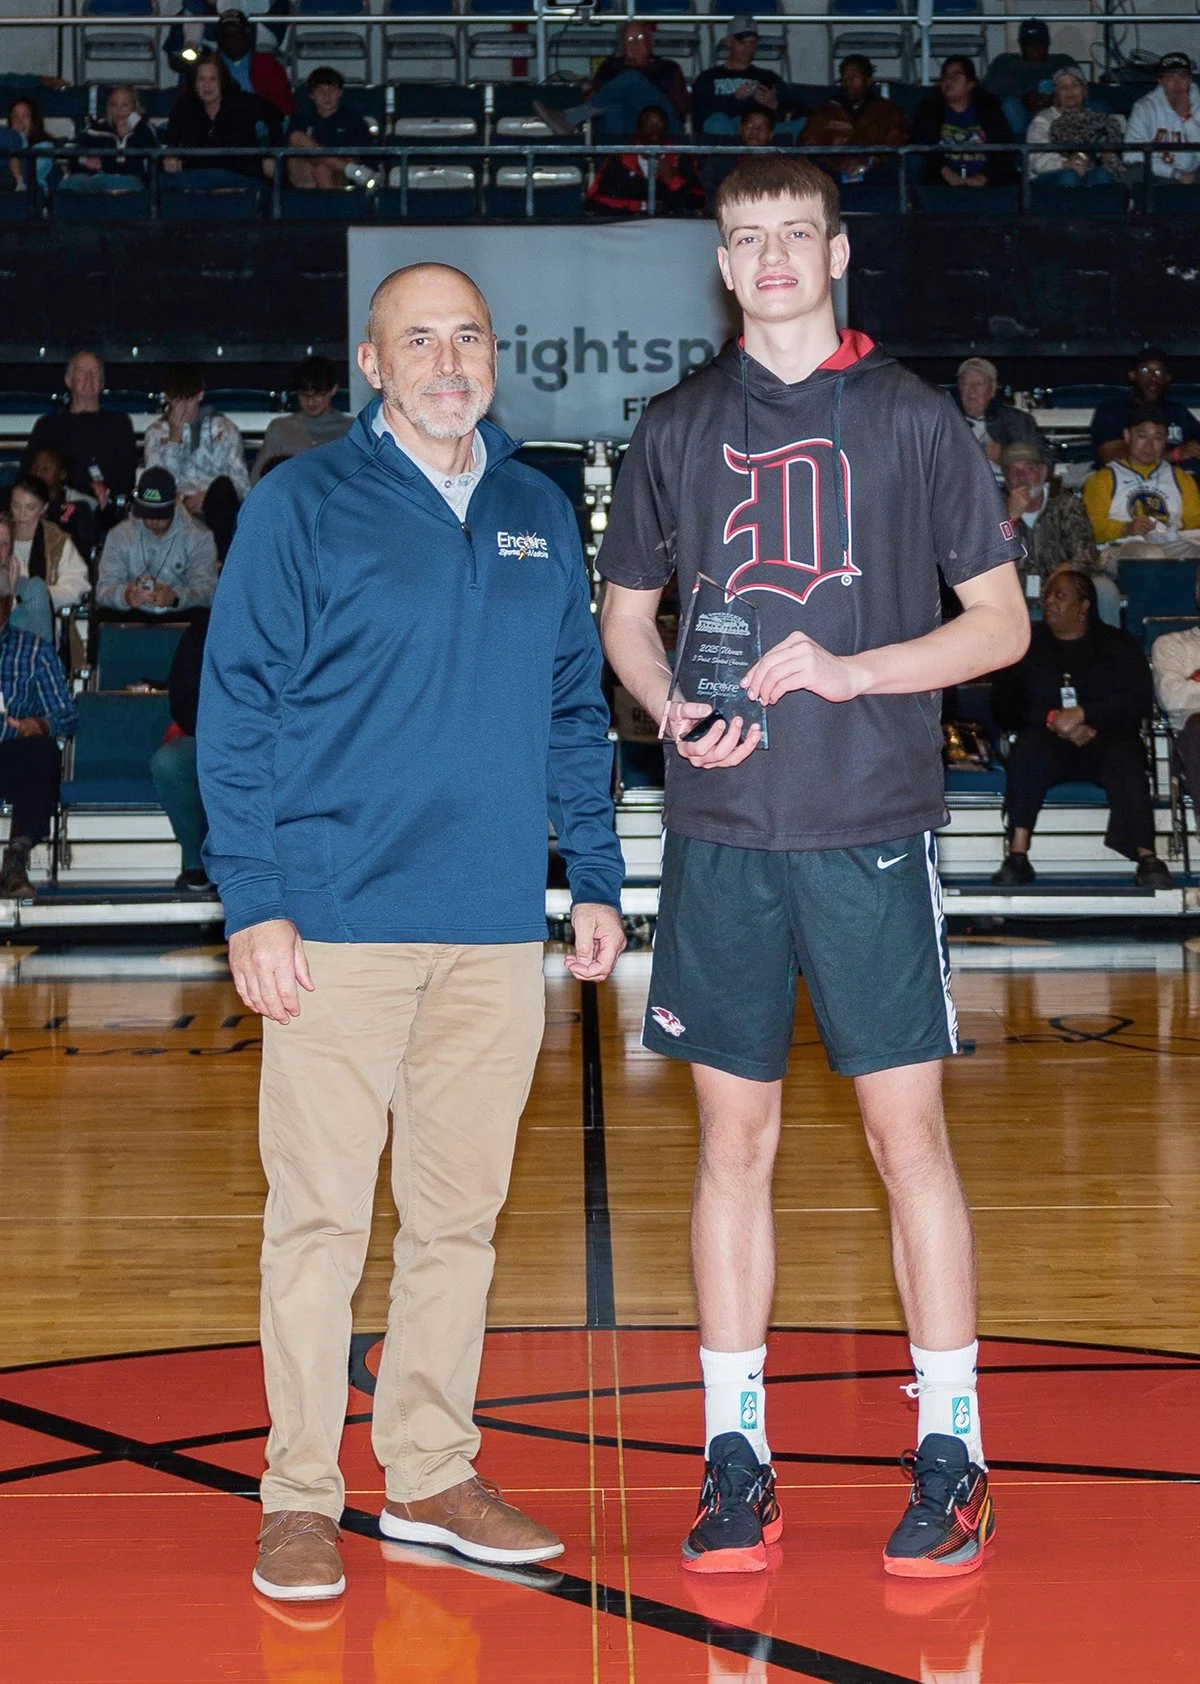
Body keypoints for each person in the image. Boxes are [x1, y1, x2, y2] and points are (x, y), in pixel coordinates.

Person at [598, 153, 1029, 1578]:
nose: (772, 257)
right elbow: (629, 619)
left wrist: (852, 674)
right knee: (734, 1145)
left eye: (797, 234)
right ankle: (738, 1456)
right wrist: (668, 710)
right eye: (747, 239)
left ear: (838, 253)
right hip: (721, 838)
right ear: (721, 265)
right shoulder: (675, 424)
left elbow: (1002, 628)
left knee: (911, 1143)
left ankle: (953, 1447)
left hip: (870, 828)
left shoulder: (912, 421)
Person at [197, 261, 627, 1602]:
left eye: (470, 337)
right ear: (372, 365)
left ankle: (433, 1468)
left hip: (494, 932)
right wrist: (255, 899)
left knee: (460, 1224)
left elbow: (573, 714)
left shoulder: (537, 513)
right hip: (336, 926)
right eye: (419, 340)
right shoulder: (302, 504)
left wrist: (597, 876)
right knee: (318, 1224)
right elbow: (239, 710)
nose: (450, 360)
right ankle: (299, 1496)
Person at [991, 566, 1173, 889]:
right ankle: (1017, 855)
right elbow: (1004, 705)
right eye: (1047, 595)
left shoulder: (1117, 644)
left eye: (1060, 595)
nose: (1049, 602)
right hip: (1047, 740)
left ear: (1085, 605)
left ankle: (1148, 857)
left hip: (1105, 738)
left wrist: (1086, 713)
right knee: (1027, 751)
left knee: (1126, 755)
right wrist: (1053, 720)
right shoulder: (1027, 645)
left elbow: (1138, 698)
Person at [0, 541, 78, 900]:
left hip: (13, 753)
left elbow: (66, 714)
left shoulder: (33, 651)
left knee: (43, 750)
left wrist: (41, 724)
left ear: (8, 606)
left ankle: (16, 856)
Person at [143, 364, 251, 559]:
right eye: (177, 400)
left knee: (223, 489)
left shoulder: (224, 429)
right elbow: (154, 485)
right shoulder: (156, 433)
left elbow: (242, 485)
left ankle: (221, 562)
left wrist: (207, 495)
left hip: (216, 507)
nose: (183, 408)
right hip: (173, 508)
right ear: (168, 398)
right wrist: (174, 439)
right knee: (156, 494)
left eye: (189, 399)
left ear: (200, 395)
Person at [1000, 441, 1116, 618]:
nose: (1021, 477)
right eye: (1013, 471)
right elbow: (986, 558)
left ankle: (1108, 645)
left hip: (1064, 593)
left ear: (1043, 472)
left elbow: (1087, 553)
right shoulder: (993, 508)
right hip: (1012, 592)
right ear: (1005, 477)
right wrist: (1011, 519)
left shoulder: (1067, 505)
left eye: (1029, 469)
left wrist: (1066, 570)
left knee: (1105, 590)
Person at [95, 467, 220, 619]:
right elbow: (104, 589)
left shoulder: (200, 536)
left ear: (174, 504)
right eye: (147, 514)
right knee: (102, 615)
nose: (154, 520)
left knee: (202, 616)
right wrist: (126, 595)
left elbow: (206, 591)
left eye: (161, 514)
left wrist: (175, 597)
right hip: (133, 611)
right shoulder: (119, 535)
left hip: (180, 612)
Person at [20, 349, 138, 505]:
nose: (89, 378)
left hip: (107, 510)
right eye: (82, 372)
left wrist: (107, 493)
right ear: (68, 381)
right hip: (57, 509)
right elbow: (29, 475)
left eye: (95, 372)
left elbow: (126, 476)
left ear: (102, 383)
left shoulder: (119, 424)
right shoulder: (48, 426)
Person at [535, 20, 689, 139]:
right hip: (624, 122)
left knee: (632, 78)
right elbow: (595, 98)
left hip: (661, 122)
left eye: (639, 38)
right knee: (612, 109)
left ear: (650, 41)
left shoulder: (667, 67)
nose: (634, 44)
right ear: (623, 46)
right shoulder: (610, 67)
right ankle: (615, 165)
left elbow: (680, 108)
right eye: (629, 40)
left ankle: (570, 118)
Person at [1081, 404, 1200, 557]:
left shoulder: (1181, 478)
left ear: (1166, 440)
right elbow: (1090, 528)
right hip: (1120, 546)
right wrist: (1125, 528)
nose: (1149, 445)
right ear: (1127, 436)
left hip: (1169, 543)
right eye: (1142, 436)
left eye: (1157, 438)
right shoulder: (1103, 479)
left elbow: (1194, 520)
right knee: (1150, 553)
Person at [150, 611, 214, 893]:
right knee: (169, 761)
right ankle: (196, 864)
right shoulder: (205, 627)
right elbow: (182, 699)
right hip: (211, 738)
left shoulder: (288, 621)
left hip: (274, 741)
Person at [802, 54, 909, 185]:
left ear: (868, 80)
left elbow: (897, 143)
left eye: (855, 77)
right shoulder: (826, 111)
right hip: (833, 173)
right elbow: (808, 144)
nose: (848, 81)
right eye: (845, 77)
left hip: (874, 171)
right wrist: (837, 164)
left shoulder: (888, 110)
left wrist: (870, 161)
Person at [911, 57, 1016, 188]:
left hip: (986, 180)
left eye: (955, 76)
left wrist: (984, 176)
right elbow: (922, 145)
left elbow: (1005, 149)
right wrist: (945, 171)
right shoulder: (929, 109)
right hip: (941, 179)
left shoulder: (989, 109)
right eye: (945, 76)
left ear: (971, 84)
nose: (948, 81)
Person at [163, 53, 266, 186]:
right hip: (194, 180)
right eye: (201, 79)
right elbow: (171, 142)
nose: (207, 85)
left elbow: (240, 157)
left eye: (213, 79)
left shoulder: (241, 106)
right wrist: (170, 158)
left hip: (236, 179)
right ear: (194, 83)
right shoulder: (183, 107)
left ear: (222, 82)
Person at [1089, 347, 1200, 469]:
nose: (1153, 378)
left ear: (1168, 378)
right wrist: (1173, 455)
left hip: (1180, 481)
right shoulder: (1112, 410)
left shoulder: (1177, 411)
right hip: (1127, 484)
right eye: (1145, 371)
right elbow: (1112, 458)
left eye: (1159, 372)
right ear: (1133, 375)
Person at [586, 105, 705, 217]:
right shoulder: (620, 158)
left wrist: (673, 180)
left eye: (660, 123)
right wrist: (641, 206)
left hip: (670, 227)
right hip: (627, 228)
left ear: (667, 129)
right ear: (638, 130)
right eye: (649, 123)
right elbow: (594, 200)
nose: (655, 129)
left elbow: (698, 201)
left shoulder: (681, 157)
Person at [690, 16, 796, 137]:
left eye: (752, 43)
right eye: (742, 43)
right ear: (728, 42)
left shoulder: (768, 77)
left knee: (805, 125)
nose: (748, 49)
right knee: (716, 122)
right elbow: (701, 116)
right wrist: (735, 100)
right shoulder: (708, 77)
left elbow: (795, 108)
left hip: (762, 131)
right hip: (727, 130)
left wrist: (775, 105)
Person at [252, 358, 351, 484]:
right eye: (304, 395)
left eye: (318, 395)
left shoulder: (351, 430)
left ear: (333, 390)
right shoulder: (280, 429)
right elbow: (258, 482)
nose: (310, 402)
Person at [1024, 64, 1126, 188]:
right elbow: (1036, 161)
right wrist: (1067, 163)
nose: (1069, 90)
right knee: (1070, 176)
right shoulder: (1043, 119)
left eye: (1074, 85)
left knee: (1103, 175)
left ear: (1084, 90)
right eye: (1062, 87)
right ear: (1056, 93)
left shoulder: (1095, 118)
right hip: (1049, 176)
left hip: (1088, 172)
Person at [1150, 565, 1200, 807]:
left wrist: (1193, 684)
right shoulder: (1172, 645)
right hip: (1193, 745)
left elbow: (1186, 693)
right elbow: (1171, 698)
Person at [57, 83, 161, 195]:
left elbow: (157, 152)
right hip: (97, 180)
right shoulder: (96, 129)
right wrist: (84, 160)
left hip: (130, 181)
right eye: (114, 105)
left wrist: (135, 123)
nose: (119, 110)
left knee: (132, 184)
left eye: (125, 105)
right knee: (73, 182)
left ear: (134, 106)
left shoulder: (144, 129)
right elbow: (68, 149)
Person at [7, 474, 90, 613]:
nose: (21, 514)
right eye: (16, 506)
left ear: (44, 508)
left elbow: (76, 587)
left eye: (30, 507)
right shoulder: (3, 534)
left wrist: (34, 596)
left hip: (44, 621)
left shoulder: (57, 541)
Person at [982, 17, 1077, 139]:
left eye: (1039, 42)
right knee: (1010, 105)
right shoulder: (1006, 62)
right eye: (1029, 43)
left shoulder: (1062, 62)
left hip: (1058, 117)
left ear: (1048, 42)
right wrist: (1023, 100)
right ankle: (1018, 154)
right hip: (1020, 120)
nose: (1035, 47)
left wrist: (1056, 99)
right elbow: (985, 95)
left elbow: (1084, 91)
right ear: (1021, 43)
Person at [287, 67, 375, 191]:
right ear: (312, 95)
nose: (326, 96)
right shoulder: (301, 119)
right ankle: (351, 170)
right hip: (304, 173)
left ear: (340, 92)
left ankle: (332, 204)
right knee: (297, 137)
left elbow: (360, 154)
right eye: (320, 91)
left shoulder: (353, 121)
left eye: (331, 90)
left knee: (322, 170)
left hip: (337, 175)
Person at [954, 357, 1046, 476]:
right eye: (965, 384)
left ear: (992, 390)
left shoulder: (1019, 422)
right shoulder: (945, 423)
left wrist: (1006, 457)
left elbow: (1045, 463)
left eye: (978, 384)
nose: (971, 391)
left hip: (1008, 490)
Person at [1124, 52, 1200, 185]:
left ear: (1190, 79)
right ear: (1160, 81)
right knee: (1135, 171)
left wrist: (1186, 118)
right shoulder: (1144, 107)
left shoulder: (1198, 104)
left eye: (1182, 77)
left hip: (1194, 173)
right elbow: (1131, 155)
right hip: (1160, 174)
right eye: (1170, 77)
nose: (1177, 84)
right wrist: (1175, 174)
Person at [214, 7, 294, 122]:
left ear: (248, 35)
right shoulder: (207, 66)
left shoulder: (267, 64)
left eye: (237, 33)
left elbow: (284, 106)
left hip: (260, 133)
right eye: (226, 34)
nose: (232, 39)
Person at [26, 446, 98, 566]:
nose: (38, 473)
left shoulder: (80, 504)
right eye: (35, 467)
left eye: (45, 469)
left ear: (62, 474)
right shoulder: (20, 501)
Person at [6, 96, 55, 195]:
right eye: (15, 116)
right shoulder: (5, 145)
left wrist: (19, 138)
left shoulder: (45, 146)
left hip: (33, 196)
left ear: (34, 120)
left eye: (26, 116)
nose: (20, 121)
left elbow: (29, 175)